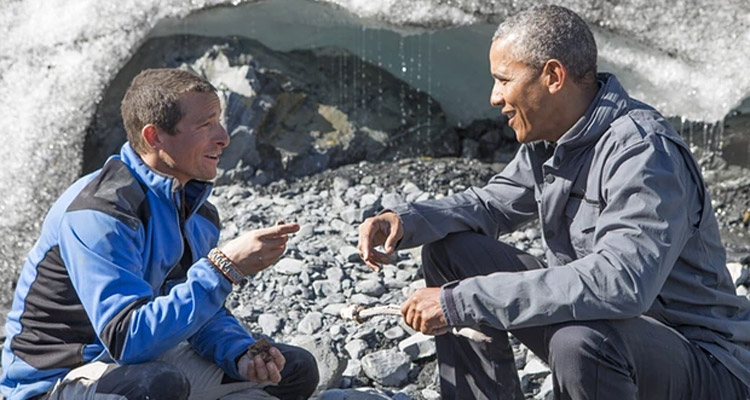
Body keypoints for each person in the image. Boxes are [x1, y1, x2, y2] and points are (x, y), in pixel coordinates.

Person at [358, 5, 750, 400]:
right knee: (452, 251)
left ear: (553, 76)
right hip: (610, 331)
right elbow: (493, 204)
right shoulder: (552, 138)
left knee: (578, 341)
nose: (494, 97)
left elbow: (622, 284)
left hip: (703, 363)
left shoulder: (644, 153)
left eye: (503, 80)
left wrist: (461, 301)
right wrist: (407, 221)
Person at [1, 68, 319, 400]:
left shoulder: (197, 211)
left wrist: (239, 353)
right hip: (55, 381)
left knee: (294, 371)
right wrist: (223, 268)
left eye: (219, 120)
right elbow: (126, 338)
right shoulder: (100, 212)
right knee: (158, 385)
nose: (224, 136)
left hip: (135, 363)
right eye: (204, 125)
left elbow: (195, 314)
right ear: (154, 137)